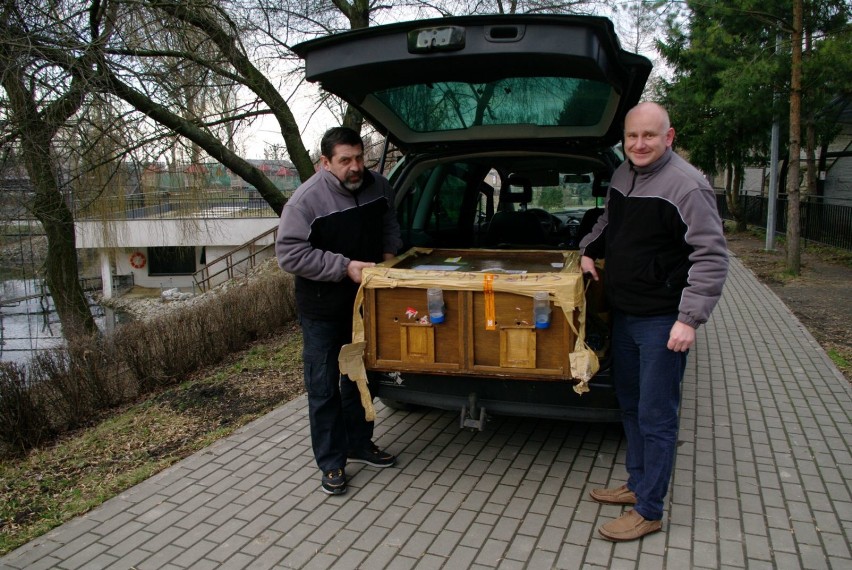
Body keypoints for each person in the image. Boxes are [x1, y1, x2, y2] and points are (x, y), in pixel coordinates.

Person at [579, 102, 729, 541]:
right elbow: (610, 220)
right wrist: (588, 247)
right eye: (631, 136)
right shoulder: (624, 173)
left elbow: (712, 257)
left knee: (657, 416)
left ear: (669, 136)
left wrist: (689, 319)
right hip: (625, 312)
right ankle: (637, 483)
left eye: (649, 135)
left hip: (663, 320)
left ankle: (649, 509)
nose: (639, 144)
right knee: (629, 404)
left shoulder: (688, 187)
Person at [276, 126, 403, 495]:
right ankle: (331, 462)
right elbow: (290, 255)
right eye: (345, 160)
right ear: (325, 163)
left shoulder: (379, 186)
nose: (355, 167)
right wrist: (344, 267)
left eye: (359, 157)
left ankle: (359, 445)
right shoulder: (305, 202)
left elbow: (389, 222)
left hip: (368, 306)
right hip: (322, 310)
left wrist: (390, 257)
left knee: (363, 378)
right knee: (323, 387)